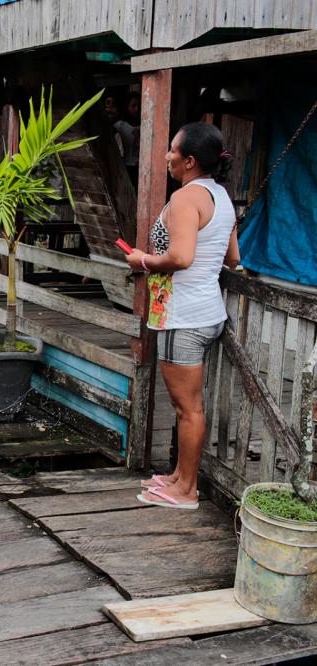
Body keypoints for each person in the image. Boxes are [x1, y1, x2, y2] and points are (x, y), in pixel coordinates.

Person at [125, 121, 239, 510]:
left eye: (173, 150)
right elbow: (233, 257)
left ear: (190, 161)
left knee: (187, 409)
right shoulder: (221, 196)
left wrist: (142, 260)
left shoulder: (186, 198)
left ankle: (187, 490)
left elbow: (181, 257)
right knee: (187, 407)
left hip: (183, 316)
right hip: (207, 312)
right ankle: (178, 476)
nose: (167, 156)